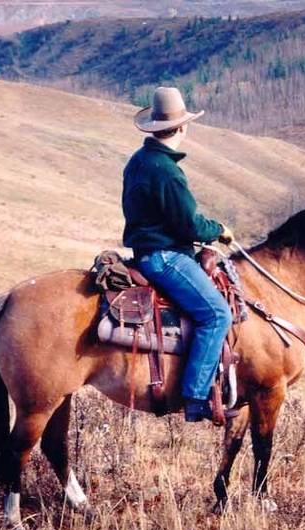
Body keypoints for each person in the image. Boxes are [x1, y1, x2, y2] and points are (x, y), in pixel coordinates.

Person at [122, 86, 234, 422]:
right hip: (165, 256)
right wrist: (218, 230)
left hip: (146, 249)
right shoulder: (167, 171)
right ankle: (196, 398)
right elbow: (188, 225)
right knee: (217, 315)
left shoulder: (140, 160)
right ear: (183, 128)